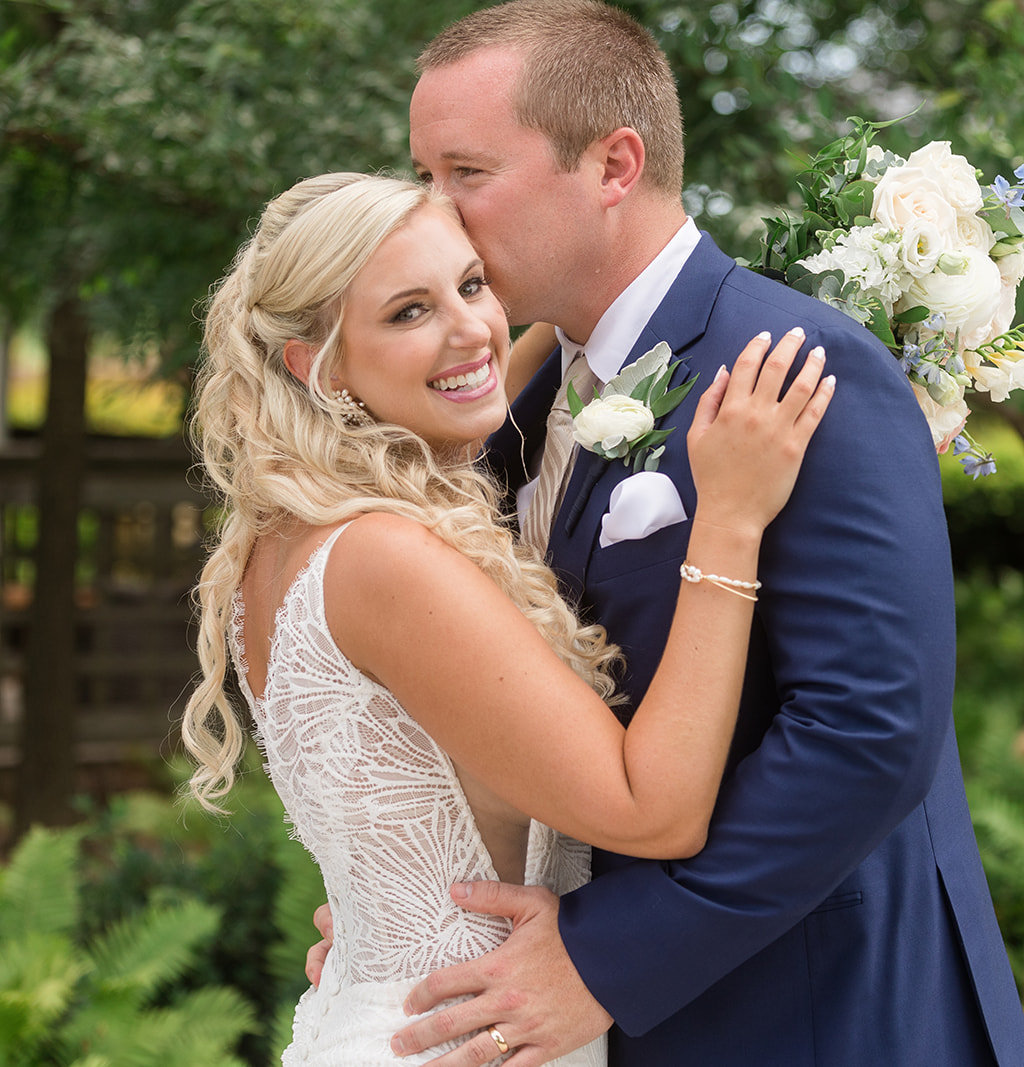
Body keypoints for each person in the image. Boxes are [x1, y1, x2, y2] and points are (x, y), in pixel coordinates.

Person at [329, 2, 1024, 1065]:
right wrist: (409, 909)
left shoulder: (799, 367)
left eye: (465, 174)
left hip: (814, 1014)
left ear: (614, 164)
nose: (432, 213)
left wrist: (608, 959)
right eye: (421, 174)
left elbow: (868, 729)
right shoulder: (512, 414)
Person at [180, 170, 834, 1066]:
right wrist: (730, 518)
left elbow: (520, 348)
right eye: (408, 311)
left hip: (409, 1015)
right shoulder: (384, 558)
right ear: (317, 366)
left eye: (473, 283)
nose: (471, 329)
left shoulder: (292, 533)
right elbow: (655, 812)